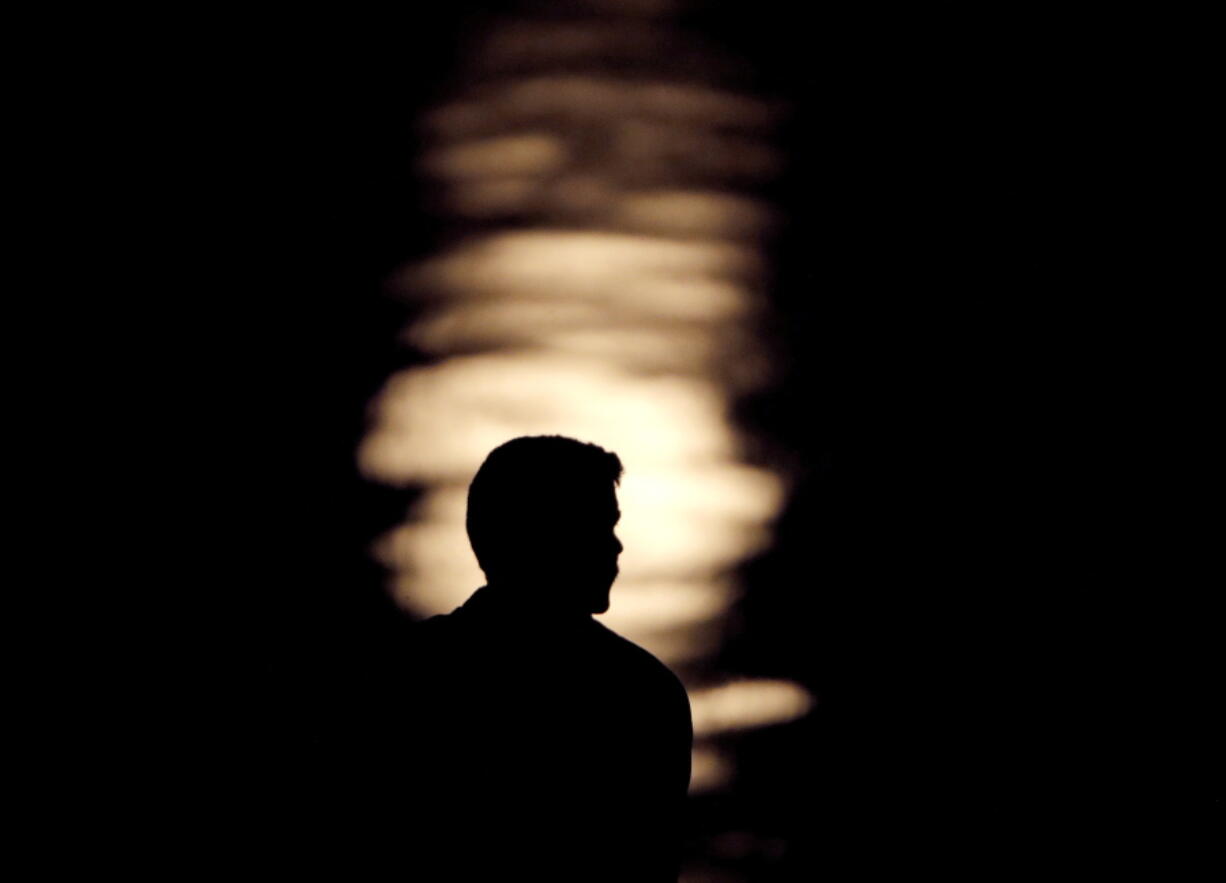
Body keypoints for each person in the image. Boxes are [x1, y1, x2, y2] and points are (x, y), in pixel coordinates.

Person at [403, 435, 694, 881]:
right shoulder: (642, 694)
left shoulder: (407, 673)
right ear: (542, 538)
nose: (616, 547)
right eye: (597, 526)